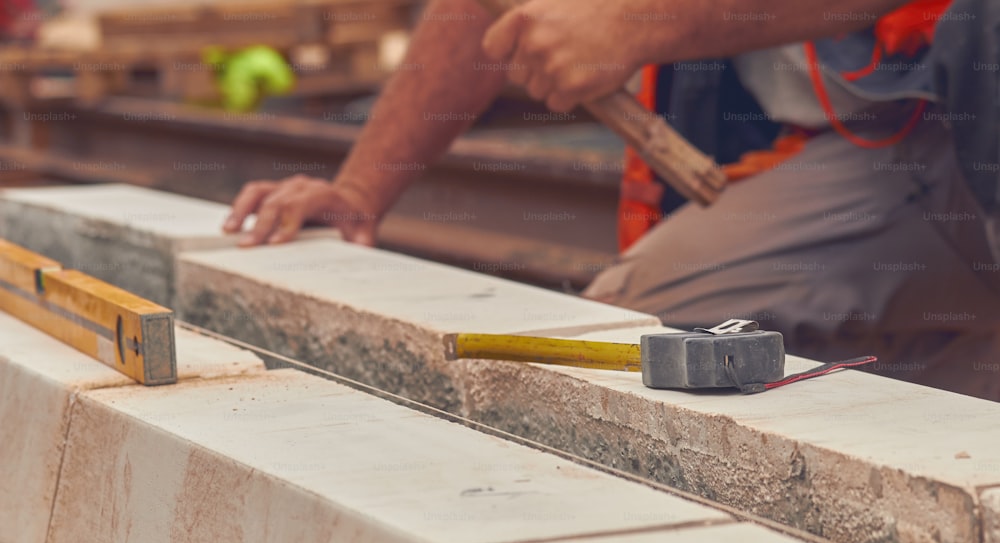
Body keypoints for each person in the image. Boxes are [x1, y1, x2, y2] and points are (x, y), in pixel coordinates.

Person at [223, 0, 1000, 400]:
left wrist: (635, 20)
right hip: (899, 143)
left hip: (973, 117)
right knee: (640, 353)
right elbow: (493, 9)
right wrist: (360, 190)